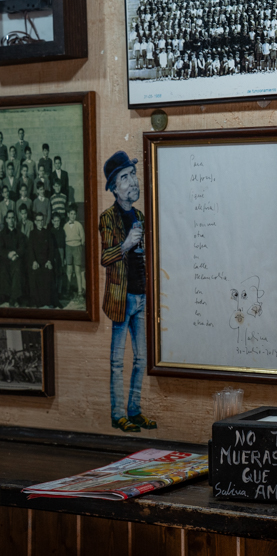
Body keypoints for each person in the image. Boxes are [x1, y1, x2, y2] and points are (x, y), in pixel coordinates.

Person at [100, 151, 156, 434]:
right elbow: (104, 258)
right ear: (114, 187)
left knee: (141, 359)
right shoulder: (108, 218)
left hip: (141, 295)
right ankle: (118, 414)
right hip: (121, 299)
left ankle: (134, 410)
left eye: (133, 174)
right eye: (124, 177)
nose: (133, 181)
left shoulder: (141, 216)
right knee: (117, 361)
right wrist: (125, 245)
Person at [26, 212, 56, 308]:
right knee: (35, 273)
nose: (40, 222)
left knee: (48, 272)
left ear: (44, 221)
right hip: (36, 261)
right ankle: (37, 302)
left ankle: (47, 302)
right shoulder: (32, 233)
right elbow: (30, 249)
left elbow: (51, 249)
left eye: (41, 220)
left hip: (46, 261)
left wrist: (49, 261)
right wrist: (34, 261)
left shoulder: (48, 233)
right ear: (35, 222)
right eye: (38, 220)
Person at [0, 210, 25, 307]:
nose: (11, 220)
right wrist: (8, 254)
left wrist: (16, 254)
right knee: (3, 270)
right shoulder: (2, 234)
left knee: (17, 269)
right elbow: (0, 248)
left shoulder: (19, 234)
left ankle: (14, 298)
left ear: (15, 220)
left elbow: (22, 248)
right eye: (9, 218)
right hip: (5, 259)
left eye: (13, 218)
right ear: (6, 220)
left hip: (16, 259)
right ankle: (5, 296)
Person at [64, 207, 85, 299]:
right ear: (68, 215)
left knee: (77, 270)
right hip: (68, 247)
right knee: (69, 270)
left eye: (74, 214)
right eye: (71, 214)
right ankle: (68, 290)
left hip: (77, 247)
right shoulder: (65, 226)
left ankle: (80, 291)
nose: (73, 216)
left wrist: (79, 246)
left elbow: (83, 237)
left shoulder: (78, 225)